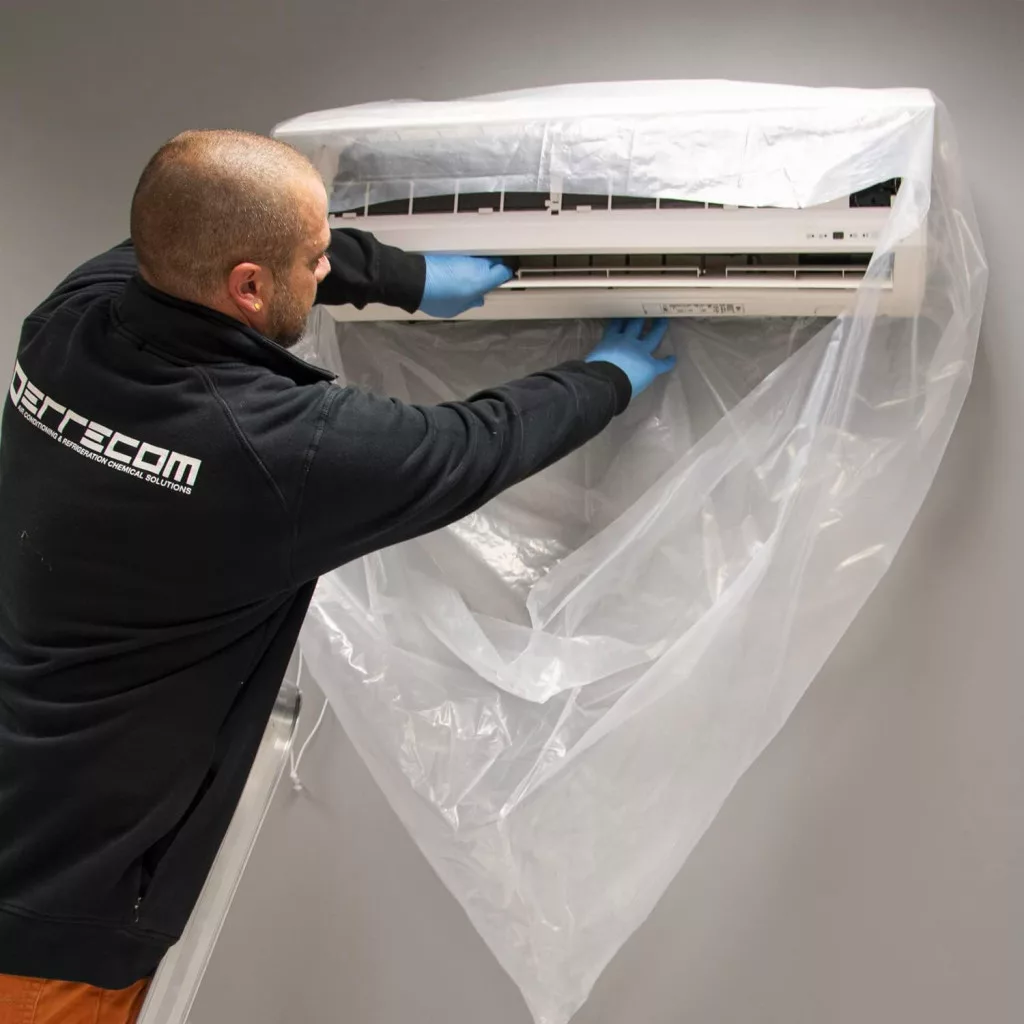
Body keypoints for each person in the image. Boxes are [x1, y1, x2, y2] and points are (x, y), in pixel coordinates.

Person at [0, 130, 675, 1023]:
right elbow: (473, 447)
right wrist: (607, 378)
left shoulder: (68, 319)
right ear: (249, 286)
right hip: (56, 919)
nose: (326, 271)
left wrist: (403, 277)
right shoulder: (272, 450)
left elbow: (183, 232)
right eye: (316, 259)